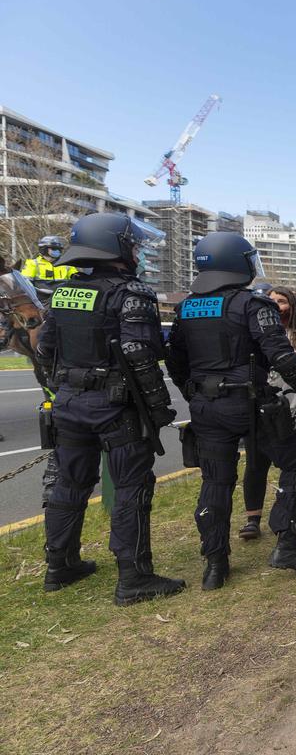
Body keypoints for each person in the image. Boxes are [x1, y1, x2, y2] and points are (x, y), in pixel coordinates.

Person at [36, 212, 185, 604]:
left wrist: (64, 386)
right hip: (115, 406)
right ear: (115, 247)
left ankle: (60, 565)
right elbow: (139, 354)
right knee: (131, 487)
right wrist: (158, 407)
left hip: (69, 403)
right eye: (132, 244)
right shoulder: (131, 293)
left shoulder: (64, 291)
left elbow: (45, 349)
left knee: (69, 485)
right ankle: (134, 577)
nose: (136, 250)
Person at [166, 232, 296, 590]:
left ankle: (215, 565)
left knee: (215, 481)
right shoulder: (253, 305)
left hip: (206, 407)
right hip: (250, 403)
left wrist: (193, 392)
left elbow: (174, 361)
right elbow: (282, 357)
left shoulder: (187, 307)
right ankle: (287, 543)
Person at [239, 285, 296, 540]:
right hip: (260, 408)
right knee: (256, 464)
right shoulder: (252, 334)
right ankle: (252, 519)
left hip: (294, 409)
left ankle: (291, 517)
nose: (277, 306)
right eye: (272, 301)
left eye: (282, 301)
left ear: (292, 306)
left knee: (294, 465)